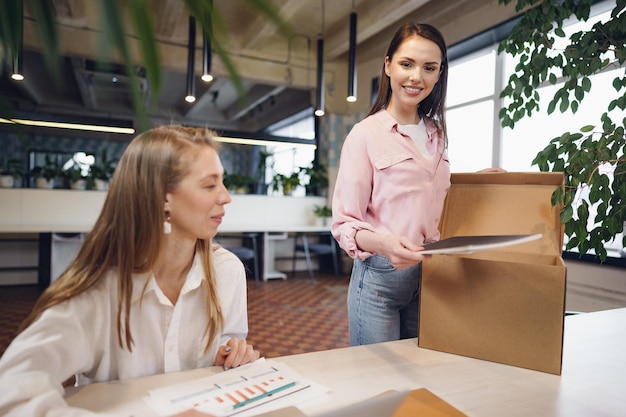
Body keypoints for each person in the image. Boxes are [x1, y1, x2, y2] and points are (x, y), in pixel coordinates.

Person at [0, 126, 260, 416]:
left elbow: (225, 341)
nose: (225, 197)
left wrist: (231, 352)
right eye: (209, 185)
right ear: (163, 197)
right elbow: (11, 392)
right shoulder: (99, 288)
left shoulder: (227, 271)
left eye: (222, 183)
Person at [332, 23, 499, 346]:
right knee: (380, 382)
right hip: (380, 280)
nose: (416, 77)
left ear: (439, 75)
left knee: (418, 376)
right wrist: (385, 244)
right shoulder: (365, 135)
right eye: (406, 64)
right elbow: (344, 224)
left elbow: (427, 195)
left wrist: (477, 182)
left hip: (430, 276)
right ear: (388, 65)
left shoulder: (437, 134)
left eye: (429, 68)